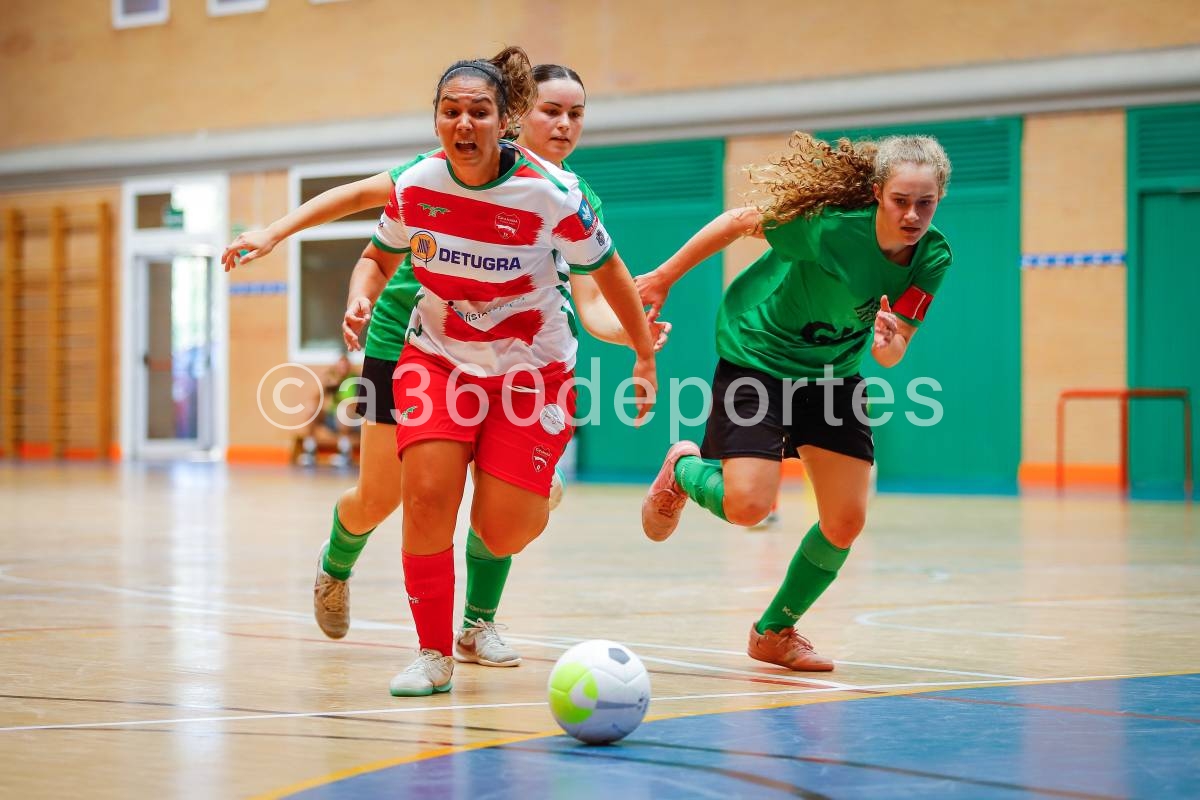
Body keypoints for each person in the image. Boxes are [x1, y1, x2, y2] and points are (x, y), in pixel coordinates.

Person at [225, 60, 666, 675]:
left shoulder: (564, 197)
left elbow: (591, 297)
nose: (562, 125)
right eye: (551, 110)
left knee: (499, 512)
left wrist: (636, 342)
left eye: (575, 114)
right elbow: (364, 223)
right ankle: (344, 570)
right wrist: (276, 234)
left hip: (517, 364)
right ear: (523, 114)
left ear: (501, 119)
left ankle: (478, 617)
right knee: (390, 498)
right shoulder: (431, 173)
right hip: (409, 340)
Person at [636, 133, 952, 672]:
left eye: (925, 202)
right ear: (878, 193)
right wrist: (664, 278)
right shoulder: (830, 227)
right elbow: (738, 220)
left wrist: (886, 340)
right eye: (901, 199)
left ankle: (774, 632)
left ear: (938, 199)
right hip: (758, 356)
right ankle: (684, 470)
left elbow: (895, 352)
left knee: (845, 521)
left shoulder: (933, 257)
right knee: (749, 507)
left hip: (834, 378)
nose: (913, 214)